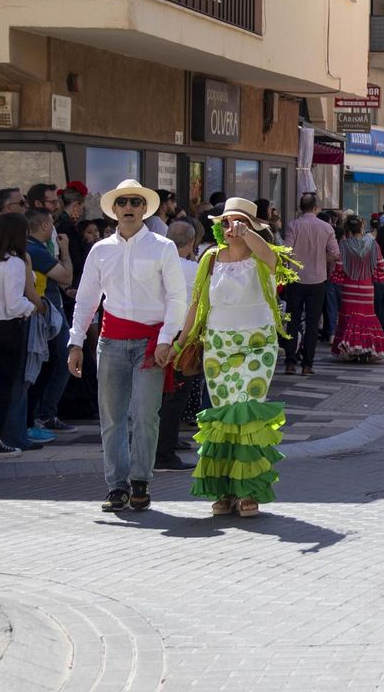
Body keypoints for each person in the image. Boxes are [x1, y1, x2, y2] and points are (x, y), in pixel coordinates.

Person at [67, 180, 188, 514]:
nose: (129, 206)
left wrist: (166, 339)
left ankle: (140, 481)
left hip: (152, 344)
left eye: (136, 201)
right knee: (112, 418)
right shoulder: (100, 250)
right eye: (123, 202)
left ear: (145, 208)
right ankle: (116, 486)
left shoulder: (163, 247)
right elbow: (87, 298)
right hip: (112, 342)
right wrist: (75, 342)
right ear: (115, 209)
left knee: (146, 415)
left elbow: (178, 297)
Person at [178, 198, 296, 517]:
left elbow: (272, 259)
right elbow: (196, 302)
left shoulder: (261, 257)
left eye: (238, 222)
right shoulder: (210, 258)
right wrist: (181, 340)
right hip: (218, 343)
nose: (230, 228)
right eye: (226, 222)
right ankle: (226, 489)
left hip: (257, 343)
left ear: (252, 226)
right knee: (223, 417)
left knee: (247, 412)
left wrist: (249, 235)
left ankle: (248, 491)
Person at [0, 212, 43, 455]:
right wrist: (32, 307)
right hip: (7, 327)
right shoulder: (14, 263)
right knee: (3, 388)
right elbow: (14, 304)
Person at [155, 219, 202, 472]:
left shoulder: (159, 264)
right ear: (192, 243)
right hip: (181, 337)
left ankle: (168, 440)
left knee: (164, 394)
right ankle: (163, 452)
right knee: (176, 394)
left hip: (158, 332)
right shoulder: (194, 269)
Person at [25, 210, 75, 437]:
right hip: (49, 315)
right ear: (45, 225)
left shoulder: (32, 249)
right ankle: (44, 413)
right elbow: (66, 277)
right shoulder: (36, 250)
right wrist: (64, 250)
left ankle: (41, 413)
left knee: (48, 363)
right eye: (51, 223)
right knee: (62, 360)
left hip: (46, 313)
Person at [282, 193, 340, 376]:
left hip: (296, 279)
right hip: (317, 279)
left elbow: (286, 252)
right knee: (313, 323)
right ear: (316, 208)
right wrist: (322, 259)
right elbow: (335, 253)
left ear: (300, 207)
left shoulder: (293, 226)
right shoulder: (326, 227)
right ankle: (308, 364)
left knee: (293, 321)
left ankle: (290, 362)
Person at [330, 215, 384, 361]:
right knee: (367, 319)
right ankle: (366, 349)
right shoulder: (373, 244)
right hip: (366, 287)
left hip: (349, 287)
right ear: (361, 227)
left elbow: (339, 267)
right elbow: (381, 265)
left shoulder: (344, 245)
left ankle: (350, 350)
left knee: (347, 319)